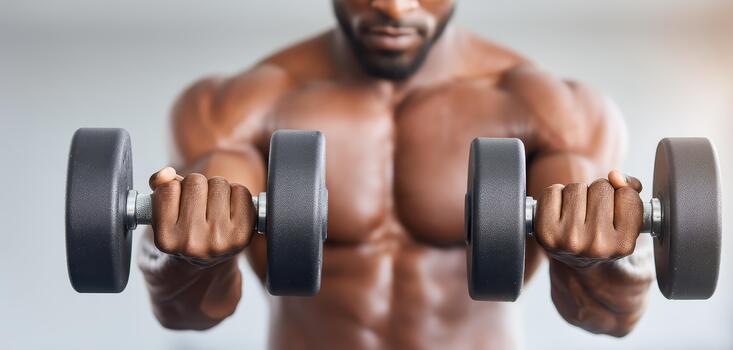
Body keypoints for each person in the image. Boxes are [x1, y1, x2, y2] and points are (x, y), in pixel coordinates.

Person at [139, 1, 653, 348]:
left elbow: (607, 315)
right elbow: (187, 312)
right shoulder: (234, 111)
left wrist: (602, 260)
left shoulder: (556, 113)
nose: (391, 5)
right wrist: (184, 254)